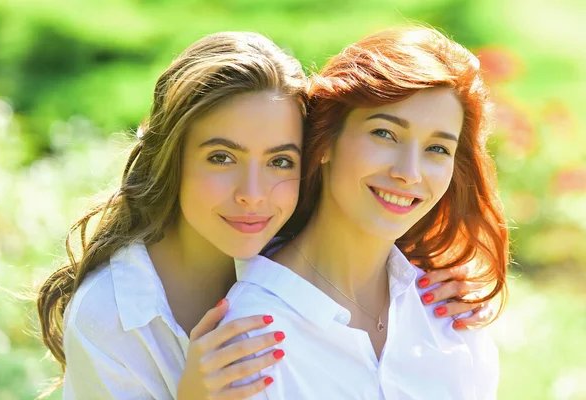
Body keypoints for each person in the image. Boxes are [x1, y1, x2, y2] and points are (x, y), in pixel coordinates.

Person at [36, 31, 498, 400]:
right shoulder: (114, 315)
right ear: (172, 156)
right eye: (221, 158)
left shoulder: (423, 303)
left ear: (308, 155)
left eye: (280, 161)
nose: (253, 196)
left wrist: (440, 279)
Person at [218, 26, 508, 400]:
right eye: (385, 134)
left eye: (437, 149)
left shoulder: (451, 316)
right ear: (325, 142)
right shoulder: (252, 333)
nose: (409, 172)